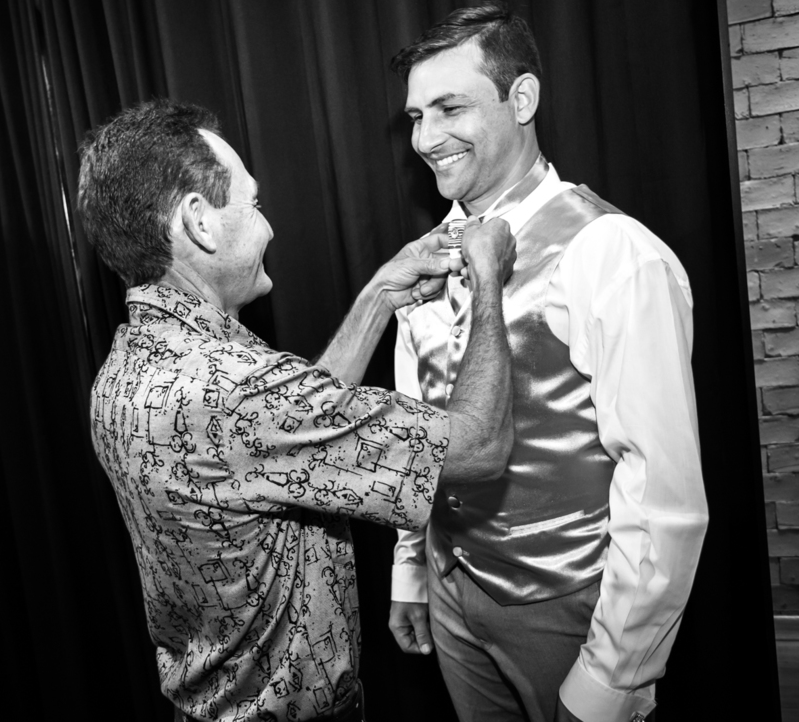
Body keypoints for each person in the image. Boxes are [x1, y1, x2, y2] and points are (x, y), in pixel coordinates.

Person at [76, 98, 519, 722]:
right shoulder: (232, 389)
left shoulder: (126, 369)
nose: (269, 228)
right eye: (252, 205)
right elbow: (478, 447)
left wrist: (377, 298)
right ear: (200, 222)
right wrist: (490, 280)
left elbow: (288, 444)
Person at [385, 2, 709, 722]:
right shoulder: (422, 262)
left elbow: (662, 492)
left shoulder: (613, 253)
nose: (426, 138)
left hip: (567, 609)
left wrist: (610, 683)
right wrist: (411, 569)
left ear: (521, 98)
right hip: (451, 594)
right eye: (415, 116)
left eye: (449, 108)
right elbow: (417, 428)